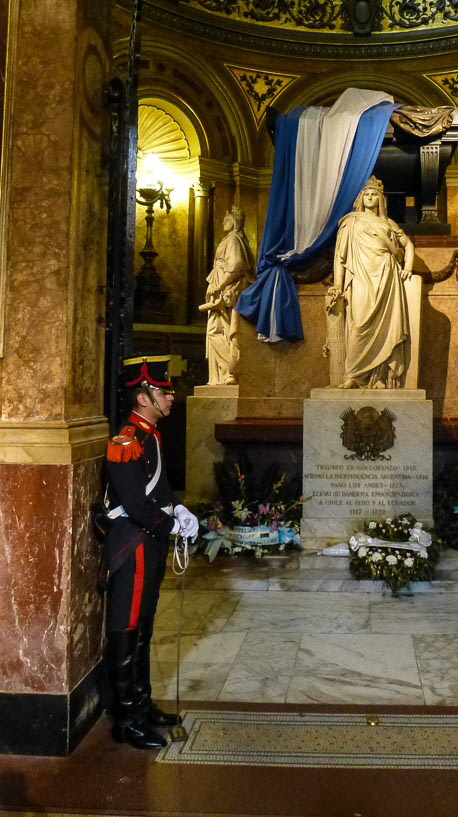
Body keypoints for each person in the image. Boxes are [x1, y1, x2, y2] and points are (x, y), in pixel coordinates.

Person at [100, 355, 199, 749]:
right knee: (126, 628)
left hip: (150, 544)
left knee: (144, 628)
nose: (171, 397)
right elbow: (136, 506)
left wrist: (178, 509)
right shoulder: (125, 442)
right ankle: (126, 719)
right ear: (143, 397)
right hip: (133, 545)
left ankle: (142, 706)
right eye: (163, 391)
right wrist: (168, 523)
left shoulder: (150, 436)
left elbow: (158, 493)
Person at [330, 176, 415, 389]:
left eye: (374, 195)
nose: (370, 197)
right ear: (361, 198)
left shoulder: (388, 224)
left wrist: (408, 267)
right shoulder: (352, 222)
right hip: (360, 276)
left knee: (386, 327)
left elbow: (409, 246)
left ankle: (378, 377)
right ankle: (354, 375)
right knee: (358, 323)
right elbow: (340, 257)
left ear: (380, 200)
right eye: (366, 194)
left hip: (386, 276)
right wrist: (338, 286)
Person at [202, 207, 252, 385]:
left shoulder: (233, 240)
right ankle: (227, 372)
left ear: (235, 223)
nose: (223, 222)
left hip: (226, 292)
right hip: (222, 289)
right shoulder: (231, 240)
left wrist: (219, 286)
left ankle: (233, 369)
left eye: (228, 219)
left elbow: (236, 264)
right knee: (220, 331)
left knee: (219, 330)